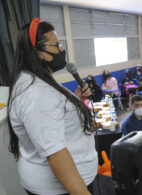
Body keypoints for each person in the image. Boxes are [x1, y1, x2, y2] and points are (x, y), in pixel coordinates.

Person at [7, 18, 97, 195]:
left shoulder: (35, 80)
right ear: (38, 52)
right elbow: (55, 154)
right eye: (56, 45)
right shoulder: (36, 93)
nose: (62, 49)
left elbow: (52, 117)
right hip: (60, 190)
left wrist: (75, 100)